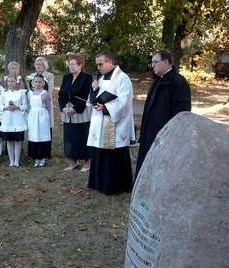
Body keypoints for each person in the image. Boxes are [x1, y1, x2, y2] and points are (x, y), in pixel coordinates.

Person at [135, 50, 191, 177]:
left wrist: (171, 133)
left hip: (164, 133)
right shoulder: (158, 80)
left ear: (166, 62)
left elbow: (182, 113)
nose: (152, 65)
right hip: (150, 131)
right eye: (152, 62)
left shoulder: (178, 82)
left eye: (155, 62)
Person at [87, 51, 135, 195]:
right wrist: (93, 90)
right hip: (100, 121)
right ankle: (98, 183)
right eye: (97, 64)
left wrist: (106, 108)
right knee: (100, 152)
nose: (98, 67)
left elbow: (125, 101)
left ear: (110, 62)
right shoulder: (100, 78)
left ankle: (115, 185)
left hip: (115, 124)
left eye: (100, 64)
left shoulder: (122, 78)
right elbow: (92, 98)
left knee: (113, 154)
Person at [58, 53, 93, 172]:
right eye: (69, 64)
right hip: (67, 113)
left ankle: (87, 162)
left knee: (82, 137)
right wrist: (63, 107)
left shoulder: (86, 77)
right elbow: (61, 94)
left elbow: (86, 96)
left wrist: (75, 109)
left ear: (80, 65)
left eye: (73, 64)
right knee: (70, 137)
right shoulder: (66, 77)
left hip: (80, 112)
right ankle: (73, 162)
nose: (71, 66)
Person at [0, 76, 28, 167]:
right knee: (9, 141)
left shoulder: (21, 93)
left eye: (13, 81)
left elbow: (25, 106)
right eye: (9, 81)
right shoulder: (4, 93)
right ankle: (11, 161)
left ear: (16, 82)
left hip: (17, 119)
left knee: (17, 141)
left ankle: (17, 161)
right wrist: (6, 107)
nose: (11, 83)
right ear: (7, 82)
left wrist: (17, 107)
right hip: (8, 119)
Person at [27, 74, 51, 168]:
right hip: (33, 116)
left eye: (40, 82)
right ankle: (36, 158)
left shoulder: (45, 94)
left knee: (42, 137)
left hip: (42, 117)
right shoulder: (30, 94)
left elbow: (48, 107)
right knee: (34, 136)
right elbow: (29, 105)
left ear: (43, 83)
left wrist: (47, 118)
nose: (37, 84)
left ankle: (43, 158)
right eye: (36, 82)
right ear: (32, 83)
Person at [28, 57, 54, 129]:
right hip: (34, 101)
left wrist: (40, 93)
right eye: (36, 64)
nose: (38, 66)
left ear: (45, 65)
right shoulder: (32, 75)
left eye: (40, 64)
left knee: (46, 123)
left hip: (45, 101)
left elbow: (49, 89)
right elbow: (30, 88)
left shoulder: (49, 75)